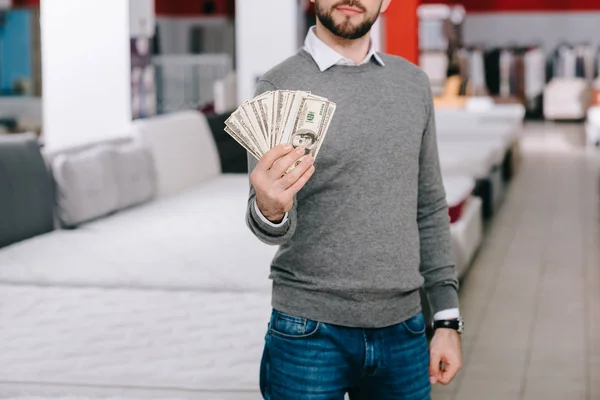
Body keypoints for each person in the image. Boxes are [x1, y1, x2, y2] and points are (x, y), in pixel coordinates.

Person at [245, 0, 464, 398]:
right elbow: (266, 224)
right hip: (306, 331)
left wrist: (447, 320)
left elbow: (429, 206)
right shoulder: (277, 87)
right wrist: (270, 208)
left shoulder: (412, 83)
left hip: (405, 328)